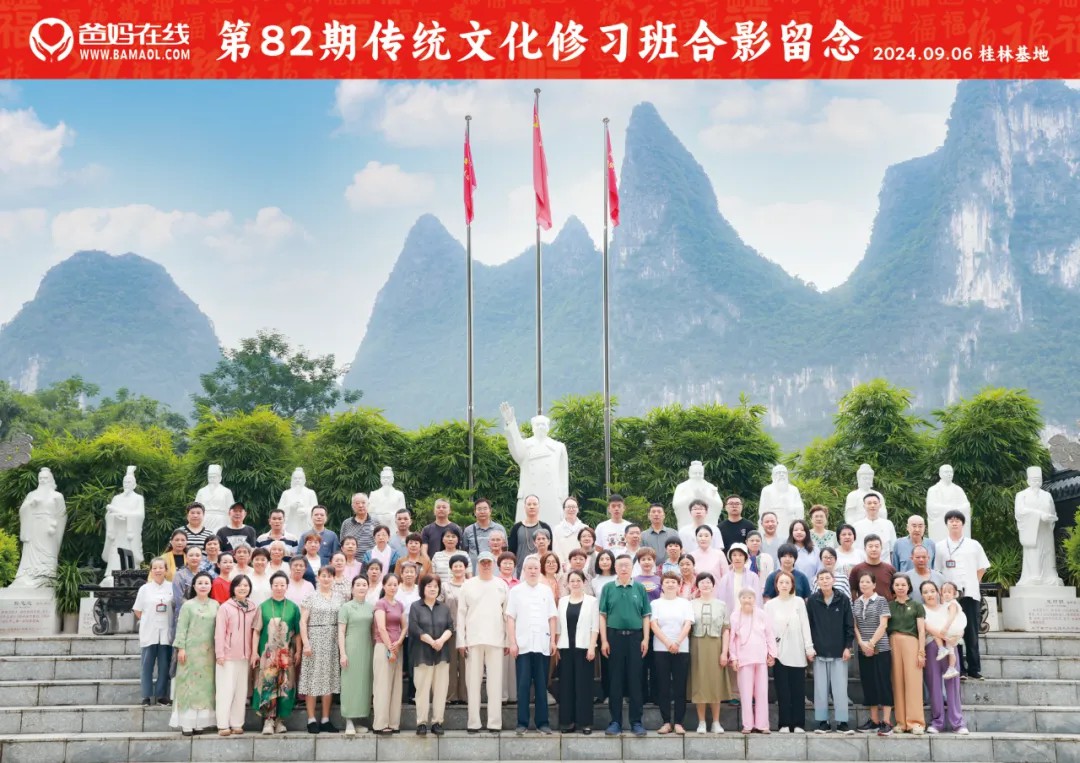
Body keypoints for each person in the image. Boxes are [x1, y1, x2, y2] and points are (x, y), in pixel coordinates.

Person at [933, 510, 990, 680]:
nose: (954, 522)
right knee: (953, 632)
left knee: (971, 631)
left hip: (969, 593)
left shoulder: (973, 544)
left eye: (957, 520)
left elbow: (982, 567)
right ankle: (960, 668)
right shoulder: (940, 546)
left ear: (962, 524)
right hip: (950, 598)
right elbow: (937, 570)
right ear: (946, 524)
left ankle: (974, 668)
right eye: (951, 520)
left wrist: (974, 582)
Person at [599, 555, 650, 737]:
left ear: (631, 568)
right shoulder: (608, 588)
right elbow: (602, 615)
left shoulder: (639, 588)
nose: (623, 568)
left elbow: (646, 615)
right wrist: (604, 640)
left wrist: (646, 639)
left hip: (636, 638)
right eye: (620, 565)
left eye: (627, 565)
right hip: (614, 637)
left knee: (636, 680)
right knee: (615, 680)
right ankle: (615, 721)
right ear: (615, 567)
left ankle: (636, 722)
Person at [457, 552, 509, 733]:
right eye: (482, 563)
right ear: (477, 564)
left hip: (496, 639)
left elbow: (506, 615)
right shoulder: (467, 585)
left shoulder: (501, 585)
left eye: (488, 562)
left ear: (493, 564)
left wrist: (508, 641)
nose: (486, 565)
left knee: (495, 683)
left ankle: (495, 723)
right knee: (472, 683)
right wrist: (461, 641)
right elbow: (461, 614)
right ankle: (473, 722)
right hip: (473, 638)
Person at [507, 557, 559, 735]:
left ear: (539, 570)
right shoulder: (516, 591)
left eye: (536, 568)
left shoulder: (546, 590)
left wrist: (553, 641)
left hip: (542, 644)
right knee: (523, 686)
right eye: (529, 568)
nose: (533, 571)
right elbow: (510, 618)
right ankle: (522, 723)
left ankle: (542, 723)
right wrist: (512, 642)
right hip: (522, 645)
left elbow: (552, 617)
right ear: (524, 570)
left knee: (541, 686)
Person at [764, 570, 814, 734]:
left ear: (792, 584)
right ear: (776, 585)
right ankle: (784, 723)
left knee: (798, 690)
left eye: (787, 582)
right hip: (779, 652)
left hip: (797, 650)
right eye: (781, 582)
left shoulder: (799, 602)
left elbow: (805, 625)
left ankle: (798, 724)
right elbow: (767, 630)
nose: (784, 585)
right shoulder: (770, 605)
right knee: (783, 690)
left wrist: (809, 647)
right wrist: (769, 652)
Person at [805, 569, 855, 734]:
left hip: (839, 651)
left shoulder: (843, 599)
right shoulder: (812, 601)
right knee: (820, 689)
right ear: (817, 582)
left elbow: (849, 624)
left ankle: (842, 722)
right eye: (821, 579)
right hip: (819, 651)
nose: (825, 581)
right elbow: (808, 626)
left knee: (840, 688)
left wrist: (848, 647)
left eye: (828, 578)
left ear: (833, 580)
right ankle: (822, 722)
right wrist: (810, 647)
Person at [252, 571, 301, 735]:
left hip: (287, 654)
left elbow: (298, 633)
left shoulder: (293, 607)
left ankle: (280, 720)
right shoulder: (263, 606)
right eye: (276, 585)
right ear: (271, 586)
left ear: (287, 587)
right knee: (268, 685)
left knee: (285, 686)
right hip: (268, 655)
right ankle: (268, 720)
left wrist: (299, 651)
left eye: (282, 585)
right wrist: (254, 652)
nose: (279, 588)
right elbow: (256, 631)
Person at [170, 571, 218, 735]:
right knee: (187, 685)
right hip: (190, 652)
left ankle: (200, 723)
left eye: (206, 583)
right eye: (200, 583)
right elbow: (181, 628)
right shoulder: (188, 605)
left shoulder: (216, 605)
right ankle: (186, 723)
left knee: (205, 687)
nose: (203, 586)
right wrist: (181, 648)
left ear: (211, 586)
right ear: (194, 586)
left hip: (209, 653)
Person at [299, 566, 344, 733]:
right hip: (315, 641)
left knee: (329, 680)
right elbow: (303, 622)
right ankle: (311, 719)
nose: (326, 579)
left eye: (329, 576)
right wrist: (306, 643)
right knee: (312, 679)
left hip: (332, 642)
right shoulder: (310, 597)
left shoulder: (339, 598)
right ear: (318, 577)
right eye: (323, 576)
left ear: (333, 578)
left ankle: (325, 719)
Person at [920, 580, 969, 735]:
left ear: (938, 592)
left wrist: (957, 636)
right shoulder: (921, 610)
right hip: (932, 647)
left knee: (953, 684)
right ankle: (937, 722)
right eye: (925, 592)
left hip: (950, 647)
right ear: (922, 595)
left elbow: (960, 624)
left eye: (932, 591)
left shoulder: (948, 606)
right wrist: (947, 636)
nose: (929, 594)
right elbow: (929, 628)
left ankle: (958, 723)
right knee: (934, 685)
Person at [650, 571, 694, 735]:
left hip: (681, 648)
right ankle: (666, 722)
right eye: (667, 582)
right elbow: (654, 625)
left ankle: (679, 722)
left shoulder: (685, 603)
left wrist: (677, 642)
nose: (670, 584)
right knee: (663, 686)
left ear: (678, 585)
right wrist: (668, 642)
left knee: (680, 686)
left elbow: (687, 624)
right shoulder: (655, 603)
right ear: (662, 585)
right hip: (661, 648)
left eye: (673, 582)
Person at [410, 574, 454, 736]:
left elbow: (450, 627)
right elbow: (414, 628)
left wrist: (440, 641)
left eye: (435, 586)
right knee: (422, 690)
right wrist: (431, 641)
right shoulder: (416, 607)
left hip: (442, 653)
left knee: (441, 690)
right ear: (423, 588)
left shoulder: (444, 608)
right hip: (422, 653)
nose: (433, 589)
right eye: (429, 586)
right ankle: (421, 723)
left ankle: (437, 722)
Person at [214, 575, 258, 736]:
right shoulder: (225, 607)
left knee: (241, 692)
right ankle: (223, 724)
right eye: (239, 585)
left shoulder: (253, 607)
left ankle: (237, 723)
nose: (242, 588)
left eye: (246, 585)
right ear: (233, 588)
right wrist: (220, 654)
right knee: (225, 691)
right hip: (227, 656)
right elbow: (219, 632)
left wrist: (254, 653)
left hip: (245, 657)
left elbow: (255, 632)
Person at [688, 572, 732, 733]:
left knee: (715, 683)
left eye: (708, 582)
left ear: (713, 585)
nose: (705, 585)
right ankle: (701, 722)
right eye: (702, 582)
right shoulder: (690, 604)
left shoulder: (721, 605)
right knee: (699, 682)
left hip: (716, 645)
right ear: (697, 586)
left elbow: (726, 629)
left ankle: (716, 722)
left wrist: (724, 652)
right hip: (697, 645)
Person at [729, 588, 776, 734]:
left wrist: (772, 654)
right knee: (745, 693)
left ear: (754, 599)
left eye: (750, 597)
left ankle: (763, 725)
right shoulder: (735, 616)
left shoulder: (762, 614)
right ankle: (747, 725)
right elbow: (732, 639)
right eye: (744, 597)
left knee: (762, 692)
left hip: (760, 658)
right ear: (740, 599)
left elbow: (769, 634)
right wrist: (734, 657)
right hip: (743, 659)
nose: (747, 600)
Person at [557, 570, 598, 734]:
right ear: (567, 584)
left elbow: (595, 626)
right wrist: (557, 646)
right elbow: (559, 626)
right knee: (566, 686)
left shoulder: (592, 601)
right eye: (572, 581)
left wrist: (592, 646)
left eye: (578, 580)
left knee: (584, 686)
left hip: (584, 649)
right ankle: (567, 722)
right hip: (566, 648)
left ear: (584, 583)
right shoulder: (562, 601)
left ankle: (585, 723)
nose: (575, 583)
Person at [852, 571, 893, 735]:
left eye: (867, 582)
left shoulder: (881, 601)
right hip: (863, 649)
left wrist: (871, 643)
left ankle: (887, 722)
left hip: (880, 648)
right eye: (861, 582)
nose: (864, 584)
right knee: (869, 684)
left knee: (883, 683)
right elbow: (855, 625)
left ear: (874, 585)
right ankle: (874, 721)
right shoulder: (856, 603)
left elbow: (883, 625)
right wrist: (861, 643)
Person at [887, 574, 926, 735]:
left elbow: (922, 630)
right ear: (893, 587)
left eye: (903, 584)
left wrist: (921, 652)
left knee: (913, 682)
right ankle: (901, 722)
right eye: (897, 585)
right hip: (893, 642)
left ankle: (916, 723)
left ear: (909, 586)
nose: (900, 587)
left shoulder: (917, 605)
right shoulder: (889, 605)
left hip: (912, 642)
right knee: (897, 682)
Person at [132, 557, 173, 707]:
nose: (158, 570)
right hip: (149, 631)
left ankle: (162, 695)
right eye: (154, 568)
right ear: (151, 571)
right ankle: (146, 696)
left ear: (166, 570)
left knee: (164, 665)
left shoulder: (172, 587)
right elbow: (137, 610)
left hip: (166, 631)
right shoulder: (144, 589)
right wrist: (148, 620)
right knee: (147, 665)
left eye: (161, 568)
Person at [337, 575, 375, 736]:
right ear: (352, 589)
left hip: (367, 648)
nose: (361, 587)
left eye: (364, 584)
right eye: (358, 584)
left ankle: (358, 719)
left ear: (368, 587)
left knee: (364, 684)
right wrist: (343, 653)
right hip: (351, 647)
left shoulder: (371, 607)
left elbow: (373, 631)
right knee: (349, 683)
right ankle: (348, 720)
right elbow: (341, 632)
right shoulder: (346, 607)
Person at [372, 573, 406, 734]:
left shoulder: (400, 605)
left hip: (397, 647)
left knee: (396, 686)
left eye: (395, 584)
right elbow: (381, 628)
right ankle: (380, 724)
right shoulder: (381, 603)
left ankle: (393, 723)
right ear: (384, 586)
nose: (393, 587)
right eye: (390, 584)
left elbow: (404, 626)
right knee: (382, 686)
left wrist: (399, 642)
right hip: (383, 647)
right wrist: (390, 648)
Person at [442, 553, 471, 705]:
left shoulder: (471, 585)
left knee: (467, 663)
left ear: (465, 568)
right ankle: (451, 695)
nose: (458, 568)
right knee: (452, 663)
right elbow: (440, 605)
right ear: (451, 568)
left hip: (469, 630)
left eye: (461, 566)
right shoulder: (445, 586)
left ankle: (465, 695)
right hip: (450, 629)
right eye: (455, 566)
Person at [508, 495, 553, 575]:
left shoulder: (545, 527)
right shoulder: (516, 528)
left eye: (534, 504)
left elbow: (550, 551)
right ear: (524, 507)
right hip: (520, 571)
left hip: (542, 572)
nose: (532, 507)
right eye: (529, 504)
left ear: (539, 507)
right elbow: (511, 552)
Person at [463, 497, 507, 570]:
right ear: (475, 512)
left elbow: (504, 550)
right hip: (474, 570)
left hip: (495, 570)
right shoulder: (468, 530)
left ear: (490, 511)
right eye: (479, 509)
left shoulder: (499, 529)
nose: (482, 512)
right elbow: (465, 551)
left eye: (485, 509)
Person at [848, 535, 896, 601]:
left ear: (881, 548)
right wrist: (858, 604)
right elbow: (852, 590)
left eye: (877, 546)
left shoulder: (890, 569)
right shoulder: (857, 569)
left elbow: (895, 591)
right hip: (864, 606)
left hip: (887, 607)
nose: (874, 549)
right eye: (870, 546)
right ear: (865, 549)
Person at [934, 581, 965, 680]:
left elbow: (951, 616)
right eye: (944, 592)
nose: (946, 594)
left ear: (954, 594)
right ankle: (951, 668)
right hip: (953, 628)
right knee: (951, 649)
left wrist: (946, 627)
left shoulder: (952, 604)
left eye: (949, 592)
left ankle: (942, 650)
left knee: (935, 632)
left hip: (952, 628)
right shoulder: (946, 603)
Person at [717, 543, 760, 614]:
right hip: (730, 615)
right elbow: (721, 600)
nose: (737, 558)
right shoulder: (725, 578)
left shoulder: (753, 577)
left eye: (740, 555)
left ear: (745, 558)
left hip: (749, 615)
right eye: (734, 555)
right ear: (731, 558)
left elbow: (757, 599)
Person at [171, 547, 206, 634]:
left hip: (203, 615)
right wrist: (195, 609)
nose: (194, 558)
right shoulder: (179, 575)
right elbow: (179, 599)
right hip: (184, 614)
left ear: (201, 558)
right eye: (191, 555)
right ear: (186, 558)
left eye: (197, 555)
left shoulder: (205, 574)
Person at [853, 493, 896, 558]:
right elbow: (854, 549)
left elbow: (893, 549)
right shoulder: (856, 526)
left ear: (880, 505)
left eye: (875, 503)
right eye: (869, 503)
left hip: (884, 562)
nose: (872, 505)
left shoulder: (888, 524)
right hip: (862, 562)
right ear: (864, 506)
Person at [553, 497, 589, 564]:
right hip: (563, 566)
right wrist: (562, 564)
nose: (571, 509)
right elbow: (556, 550)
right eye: (568, 507)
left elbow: (588, 549)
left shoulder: (584, 528)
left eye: (573, 507)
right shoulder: (557, 529)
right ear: (564, 509)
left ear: (578, 509)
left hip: (582, 565)